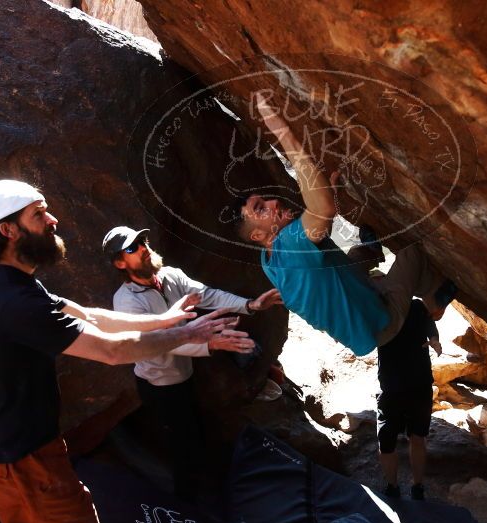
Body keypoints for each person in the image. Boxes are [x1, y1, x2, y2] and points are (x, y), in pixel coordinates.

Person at [0, 180, 247, 523]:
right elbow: (110, 350)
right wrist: (191, 333)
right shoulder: (15, 302)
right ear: (8, 230)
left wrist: (164, 319)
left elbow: (91, 315)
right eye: (38, 214)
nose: (52, 219)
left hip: (12, 453)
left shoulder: (10, 284)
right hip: (25, 464)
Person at [232, 94, 445, 356]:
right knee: (413, 252)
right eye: (261, 209)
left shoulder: (269, 261)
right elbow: (321, 211)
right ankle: (435, 298)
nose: (274, 203)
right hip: (380, 323)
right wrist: (282, 131)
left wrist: (328, 201)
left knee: (351, 256)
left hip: (358, 325)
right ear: (258, 234)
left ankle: (371, 251)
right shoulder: (289, 245)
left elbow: (318, 241)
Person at [102, 225, 282, 499]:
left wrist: (250, 305)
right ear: (119, 263)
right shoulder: (127, 302)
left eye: (142, 241)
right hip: (160, 387)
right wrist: (209, 344)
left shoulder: (170, 276)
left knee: (199, 432)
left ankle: (211, 489)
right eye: (132, 248)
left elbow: (207, 295)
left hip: (186, 375)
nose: (142, 248)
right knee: (182, 446)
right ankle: (190, 504)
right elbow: (158, 344)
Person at [375, 296, 446, 501]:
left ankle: (417, 486)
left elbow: (430, 326)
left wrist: (434, 340)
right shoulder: (377, 309)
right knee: (387, 440)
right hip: (393, 386)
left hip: (417, 383)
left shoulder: (416, 306)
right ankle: (393, 487)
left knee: (417, 436)